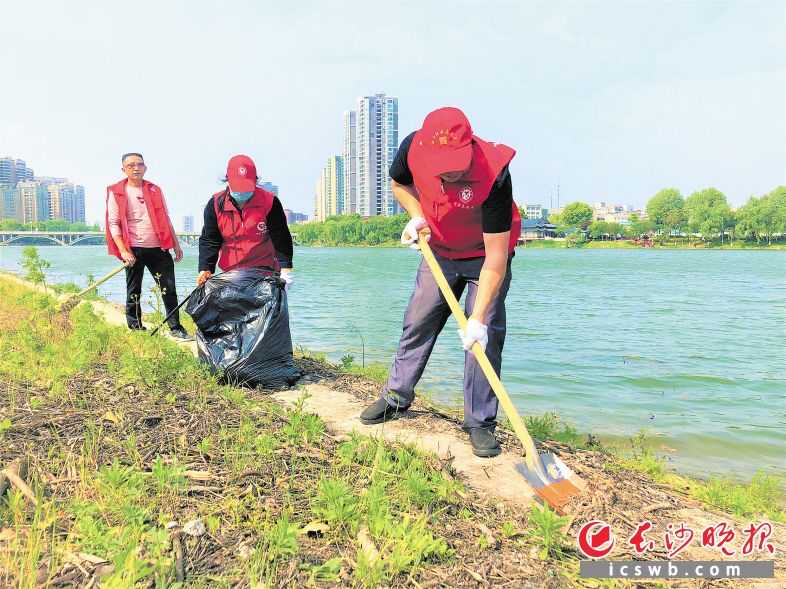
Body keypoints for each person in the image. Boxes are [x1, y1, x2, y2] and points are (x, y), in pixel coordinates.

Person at [359, 107, 521, 458]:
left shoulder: (495, 171)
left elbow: (495, 255)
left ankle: (479, 422)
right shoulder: (411, 147)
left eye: (457, 163)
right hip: (440, 250)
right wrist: (416, 216)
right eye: (442, 164)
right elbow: (399, 184)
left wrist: (475, 319)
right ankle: (396, 397)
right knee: (418, 320)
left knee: (485, 334)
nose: (450, 171)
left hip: (484, 254)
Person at [105, 152, 189, 339]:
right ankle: (135, 328)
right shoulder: (117, 191)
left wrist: (176, 245)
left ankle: (175, 327)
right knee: (134, 289)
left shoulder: (155, 189)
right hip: (134, 248)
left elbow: (166, 218)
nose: (136, 168)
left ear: (145, 167)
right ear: (123, 169)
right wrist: (123, 250)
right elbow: (113, 223)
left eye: (139, 164)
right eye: (131, 165)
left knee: (169, 288)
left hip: (159, 248)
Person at [197, 154, 293, 288]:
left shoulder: (270, 202)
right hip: (231, 274)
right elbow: (210, 239)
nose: (242, 191)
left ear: (255, 181)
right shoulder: (214, 205)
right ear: (228, 181)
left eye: (246, 186)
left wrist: (286, 270)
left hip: (265, 273)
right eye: (238, 186)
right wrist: (206, 268)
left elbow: (281, 237)